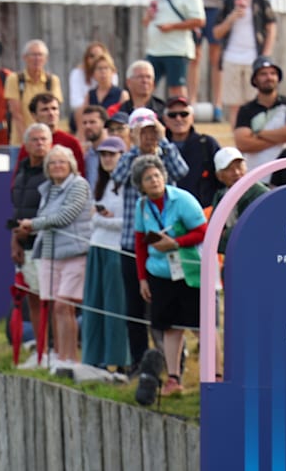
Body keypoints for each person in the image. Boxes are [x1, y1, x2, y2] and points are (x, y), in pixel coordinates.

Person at [111, 108, 189, 372]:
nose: (148, 137)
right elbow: (118, 177)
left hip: (167, 245)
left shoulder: (167, 153)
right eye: (142, 132)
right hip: (132, 243)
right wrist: (135, 148)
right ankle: (138, 361)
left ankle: (175, 361)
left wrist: (163, 141)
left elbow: (182, 171)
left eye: (151, 131)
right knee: (133, 307)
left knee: (170, 304)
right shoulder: (129, 156)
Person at [132, 153, 208, 396]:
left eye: (156, 175)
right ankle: (173, 378)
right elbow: (140, 243)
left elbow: (204, 231)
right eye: (147, 178)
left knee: (201, 327)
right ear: (140, 184)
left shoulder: (183, 200)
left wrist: (175, 242)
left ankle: (214, 377)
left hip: (189, 270)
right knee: (169, 328)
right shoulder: (141, 205)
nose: (153, 181)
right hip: (160, 274)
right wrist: (142, 278)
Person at [17, 145, 93, 366]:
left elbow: (64, 216)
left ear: (71, 165)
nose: (57, 166)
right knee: (55, 307)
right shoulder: (48, 189)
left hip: (74, 252)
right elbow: (48, 218)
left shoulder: (79, 185)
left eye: (62, 162)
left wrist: (32, 225)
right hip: (50, 253)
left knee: (64, 305)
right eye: (52, 163)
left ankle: (71, 357)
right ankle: (60, 356)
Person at [82, 136, 130, 369]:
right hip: (97, 247)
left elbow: (128, 222)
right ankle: (95, 358)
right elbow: (93, 221)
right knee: (94, 305)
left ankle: (119, 360)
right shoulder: (100, 184)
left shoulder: (127, 185)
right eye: (103, 155)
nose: (107, 159)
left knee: (116, 307)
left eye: (112, 154)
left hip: (116, 250)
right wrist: (99, 219)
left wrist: (101, 219)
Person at [212, 0, 277, 123]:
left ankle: (252, 139)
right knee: (234, 105)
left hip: (253, 58)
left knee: (254, 101)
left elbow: (271, 27)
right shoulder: (228, 2)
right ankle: (237, 139)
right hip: (231, 57)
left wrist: (265, 55)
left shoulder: (260, 1)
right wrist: (232, 17)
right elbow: (217, 32)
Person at [11, 123, 53, 362]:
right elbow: (17, 210)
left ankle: (55, 351)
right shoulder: (22, 172)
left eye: (43, 139)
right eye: (34, 140)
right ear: (26, 145)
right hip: (25, 246)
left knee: (52, 301)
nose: (39, 144)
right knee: (33, 299)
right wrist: (14, 241)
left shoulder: (55, 172)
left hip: (47, 245)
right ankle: (41, 350)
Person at [142, 0, 205, 100]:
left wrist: (172, 26)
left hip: (176, 49)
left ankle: (181, 116)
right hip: (154, 49)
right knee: (146, 85)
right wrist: (148, 16)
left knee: (176, 87)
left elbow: (199, 20)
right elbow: (146, 21)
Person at [232, 56, 286, 170]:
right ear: (255, 79)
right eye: (263, 74)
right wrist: (280, 138)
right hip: (256, 172)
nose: (269, 77)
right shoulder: (246, 109)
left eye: (273, 73)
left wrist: (259, 133)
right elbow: (242, 143)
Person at [164, 96, 220, 208]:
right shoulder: (159, 147)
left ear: (192, 117)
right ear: (165, 120)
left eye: (184, 114)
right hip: (168, 213)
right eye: (172, 115)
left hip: (202, 214)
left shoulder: (207, 144)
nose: (178, 119)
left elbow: (222, 178)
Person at [210, 147, 269, 254]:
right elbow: (213, 238)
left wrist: (226, 234)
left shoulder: (260, 193)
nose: (236, 172)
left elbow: (253, 231)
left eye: (239, 166)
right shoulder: (221, 196)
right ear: (219, 176)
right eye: (228, 169)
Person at [4, 40, 63, 145]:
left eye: (40, 55)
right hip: (20, 141)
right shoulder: (14, 79)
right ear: (25, 58)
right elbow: (16, 113)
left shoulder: (52, 80)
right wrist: (27, 141)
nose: (37, 59)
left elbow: (54, 112)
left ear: (46, 59)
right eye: (33, 55)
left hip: (46, 141)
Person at [28, 93, 86, 173]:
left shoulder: (71, 142)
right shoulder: (30, 143)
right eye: (45, 109)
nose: (51, 113)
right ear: (34, 115)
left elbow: (80, 174)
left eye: (54, 108)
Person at [68, 42, 118, 125]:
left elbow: (112, 94)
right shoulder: (77, 73)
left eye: (99, 55)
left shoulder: (112, 73)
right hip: (86, 111)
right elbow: (75, 102)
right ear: (86, 58)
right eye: (92, 56)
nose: (95, 59)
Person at [83, 53, 126, 129]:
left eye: (106, 68)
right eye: (99, 68)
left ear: (113, 72)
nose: (103, 72)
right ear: (93, 73)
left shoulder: (121, 94)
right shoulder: (90, 95)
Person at [78, 105, 109, 186]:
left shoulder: (115, 152)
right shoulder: (86, 156)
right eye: (84, 123)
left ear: (104, 124)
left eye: (92, 122)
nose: (87, 126)